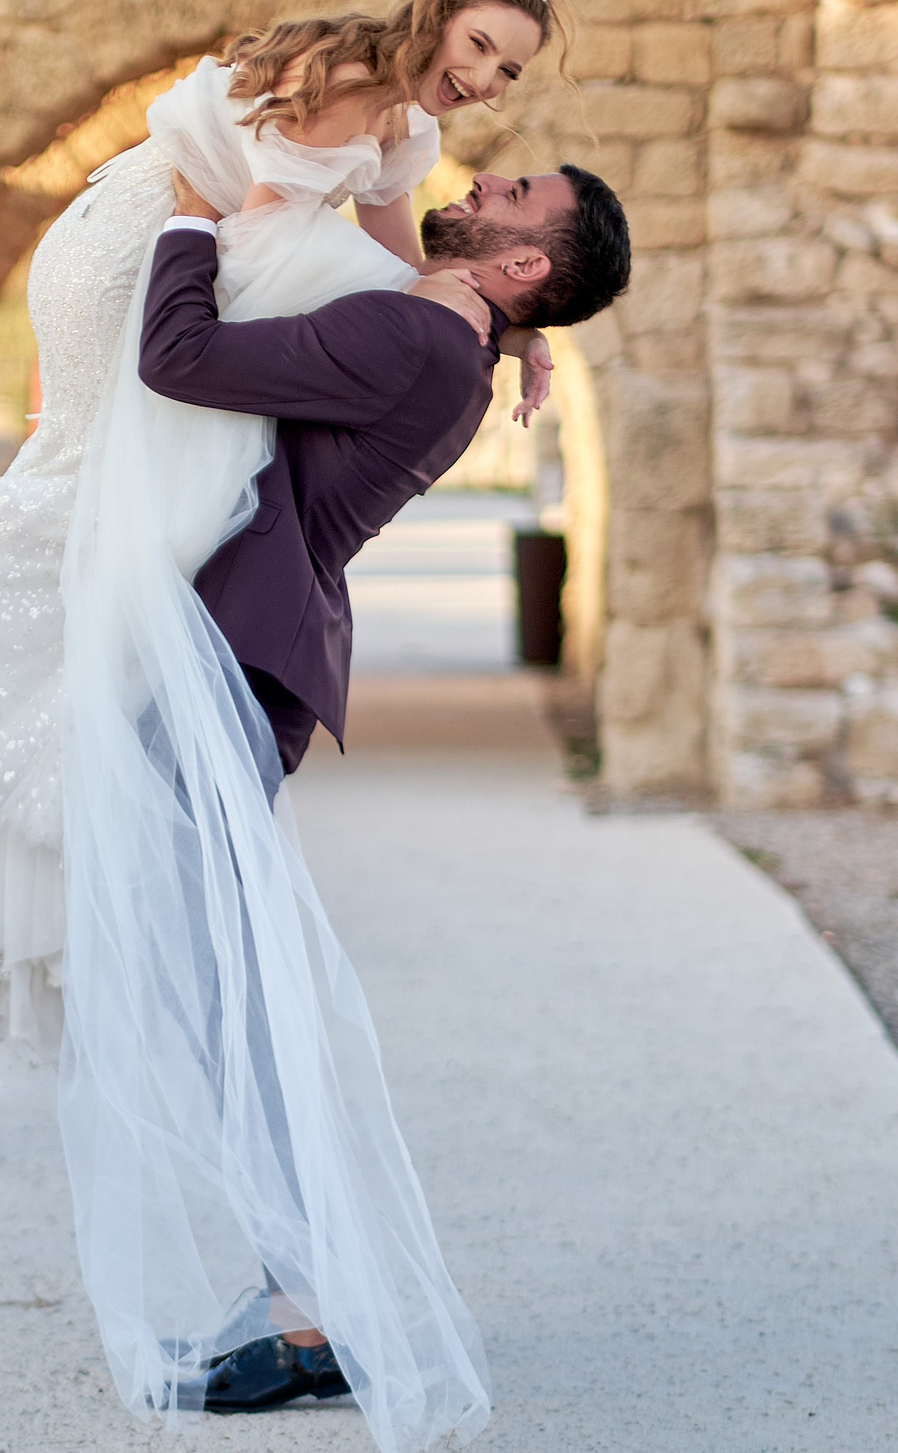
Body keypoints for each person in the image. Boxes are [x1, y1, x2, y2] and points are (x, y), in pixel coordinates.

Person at [0, 0, 560, 1054]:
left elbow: (399, 267)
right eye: (481, 46)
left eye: (511, 69)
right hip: (134, 244)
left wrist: (501, 322)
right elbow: (258, 244)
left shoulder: (408, 130)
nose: (490, 77)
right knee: (102, 513)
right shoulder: (346, 84)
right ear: (439, 18)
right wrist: (430, 327)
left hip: (190, 237)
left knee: (116, 522)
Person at [53, 160, 629, 1442]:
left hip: (229, 661)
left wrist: (194, 216)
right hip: (255, 654)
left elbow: (180, 360)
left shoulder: (411, 335)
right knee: (219, 991)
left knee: (226, 1002)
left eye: (513, 188)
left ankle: (315, 1315)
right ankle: (306, 1294)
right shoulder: (450, 335)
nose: (481, 172)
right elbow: (379, 233)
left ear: (523, 262)